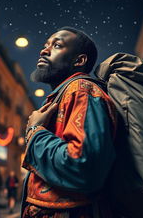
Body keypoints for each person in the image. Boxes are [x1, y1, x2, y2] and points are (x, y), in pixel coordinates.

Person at [21, 27, 117, 218]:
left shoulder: (82, 90)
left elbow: (83, 165)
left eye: (57, 45)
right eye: (45, 45)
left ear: (79, 60)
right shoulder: (65, 94)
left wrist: (35, 131)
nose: (44, 50)